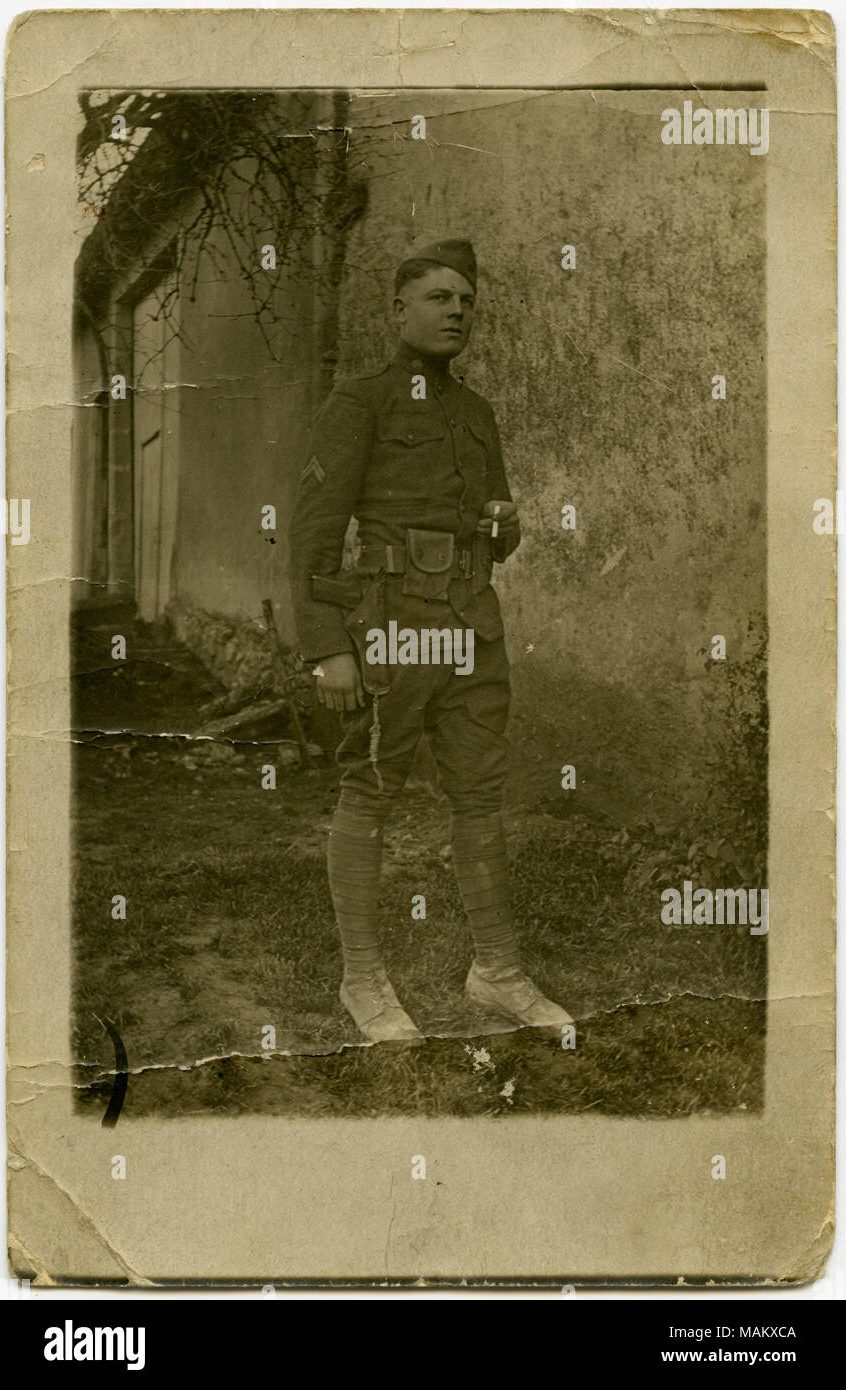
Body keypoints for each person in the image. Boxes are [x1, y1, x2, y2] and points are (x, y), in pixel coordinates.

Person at [291, 237, 572, 1043]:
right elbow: (313, 535)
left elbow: (493, 532)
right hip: (392, 627)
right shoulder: (360, 403)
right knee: (371, 791)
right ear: (399, 310)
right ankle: (363, 979)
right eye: (439, 297)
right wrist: (327, 647)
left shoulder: (476, 413)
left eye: (467, 301)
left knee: (480, 795)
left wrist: (506, 528)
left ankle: (497, 971)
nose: (456, 311)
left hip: (473, 628)